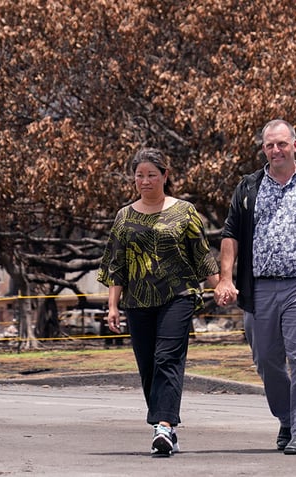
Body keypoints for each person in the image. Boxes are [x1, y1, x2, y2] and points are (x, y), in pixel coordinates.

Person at [215, 119, 296, 455]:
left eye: (282, 144)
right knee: (266, 360)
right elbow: (230, 234)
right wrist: (226, 278)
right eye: (270, 145)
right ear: (264, 149)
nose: (276, 150)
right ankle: (287, 417)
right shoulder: (248, 187)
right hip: (258, 288)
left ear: (295, 145)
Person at [97, 147, 220, 457]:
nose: (145, 181)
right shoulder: (124, 216)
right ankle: (166, 429)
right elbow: (116, 264)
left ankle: (163, 426)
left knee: (167, 358)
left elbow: (201, 256)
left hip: (177, 296)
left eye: (152, 175)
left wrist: (221, 287)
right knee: (148, 365)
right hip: (137, 300)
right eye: (140, 175)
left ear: (165, 176)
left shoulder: (184, 211)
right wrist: (113, 305)